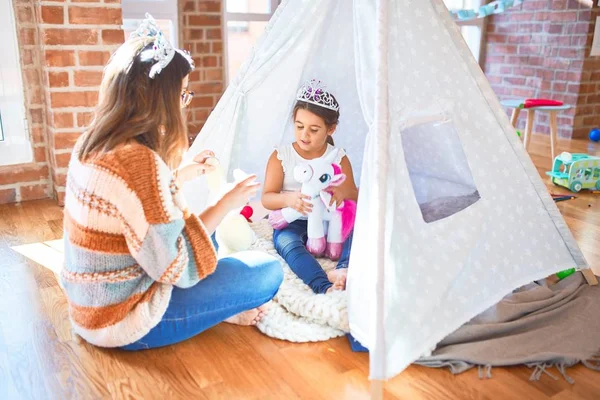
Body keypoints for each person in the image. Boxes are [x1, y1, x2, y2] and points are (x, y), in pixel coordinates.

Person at [61, 15, 283, 351]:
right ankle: (214, 311)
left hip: (89, 307)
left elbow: (130, 208)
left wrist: (178, 175)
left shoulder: (92, 143)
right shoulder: (140, 163)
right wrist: (225, 202)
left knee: (206, 239)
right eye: (181, 95)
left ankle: (213, 309)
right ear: (155, 100)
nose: (184, 104)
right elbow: (179, 266)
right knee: (266, 272)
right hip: (124, 319)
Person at [261, 80, 358, 294]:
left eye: (314, 130)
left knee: (356, 225)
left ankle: (342, 269)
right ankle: (322, 285)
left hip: (326, 221)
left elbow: (354, 194)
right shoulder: (282, 156)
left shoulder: (337, 157)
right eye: (299, 127)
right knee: (286, 243)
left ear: (330, 129)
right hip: (292, 220)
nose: (304, 135)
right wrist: (288, 200)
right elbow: (267, 198)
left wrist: (341, 193)